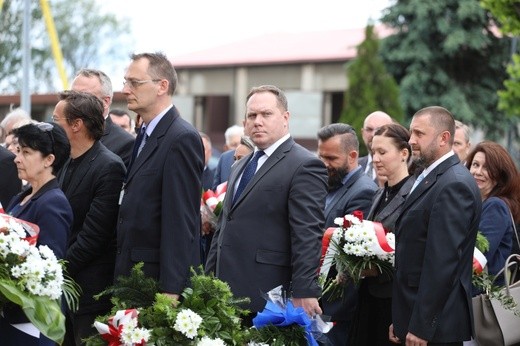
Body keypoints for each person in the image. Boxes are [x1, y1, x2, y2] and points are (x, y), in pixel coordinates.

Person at [206, 85, 328, 321]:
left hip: (267, 298)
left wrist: (304, 289)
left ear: (285, 118)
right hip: (223, 294)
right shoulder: (241, 164)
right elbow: (224, 226)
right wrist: (208, 279)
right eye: (252, 115)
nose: (257, 122)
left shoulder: (304, 164)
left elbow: (307, 232)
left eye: (266, 114)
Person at [114, 52, 204, 301]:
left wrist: (171, 289)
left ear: (162, 86)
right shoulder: (145, 133)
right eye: (125, 81)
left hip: (156, 284)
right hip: (132, 275)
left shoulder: (180, 137)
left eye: (134, 82)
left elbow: (180, 219)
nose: (125, 89)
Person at [389, 106, 482, 346]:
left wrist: (421, 327)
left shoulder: (454, 184)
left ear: (444, 138)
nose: (411, 141)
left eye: (419, 134)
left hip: (434, 330)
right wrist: (401, 320)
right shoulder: (432, 176)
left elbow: (442, 263)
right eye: (411, 133)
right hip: (416, 319)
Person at [53, 90, 126, 345]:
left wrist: (55, 271)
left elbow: (95, 235)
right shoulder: (63, 162)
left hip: (88, 292)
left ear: (76, 125)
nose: (52, 127)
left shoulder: (109, 166)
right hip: (63, 287)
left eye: (56, 121)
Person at [0, 122, 73, 345]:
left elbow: (49, 267)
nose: (17, 158)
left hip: (30, 323)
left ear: (49, 160)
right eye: (18, 150)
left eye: (26, 152)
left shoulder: (53, 203)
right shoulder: (23, 195)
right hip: (12, 316)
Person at [348, 123, 415, 346]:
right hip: (368, 298)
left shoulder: (414, 195)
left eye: (382, 152)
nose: (375, 158)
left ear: (404, 153)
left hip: (392, 302)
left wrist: (376, 268)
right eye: (373, 152)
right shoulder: (380, 193)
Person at [316, 123, 378, 345]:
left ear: (352, 156)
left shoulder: (363, 192)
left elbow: (350, 257)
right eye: (321, 156)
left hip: (338, 308)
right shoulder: (330, 185)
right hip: (321, 302)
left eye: (331, 158)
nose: (324, 164)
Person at [466, 141, 520, 279]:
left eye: (486, 168)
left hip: (481, 296)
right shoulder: (475, 204)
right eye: (475, 165)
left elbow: (474, 262)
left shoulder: (496, 206)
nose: (478, 172)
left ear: (500, 176)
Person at [71, 68, 135, 167]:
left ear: (105, 102)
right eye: (72, 95)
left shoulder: (125, 143)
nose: (75, 101)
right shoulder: (64, 133)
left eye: (83, 96)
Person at [358, 111, 393, 185]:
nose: (373, 134)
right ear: (362, 133)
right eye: (369, 129)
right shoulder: (354, 167)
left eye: (379, 130)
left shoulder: (399, 169)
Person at [212, 125, 244, 189]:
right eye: (234, 145)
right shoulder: (224, 158)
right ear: (226, 148)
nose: (238, 148)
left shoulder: (252, 157)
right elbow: (216, 189)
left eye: (241, 144)